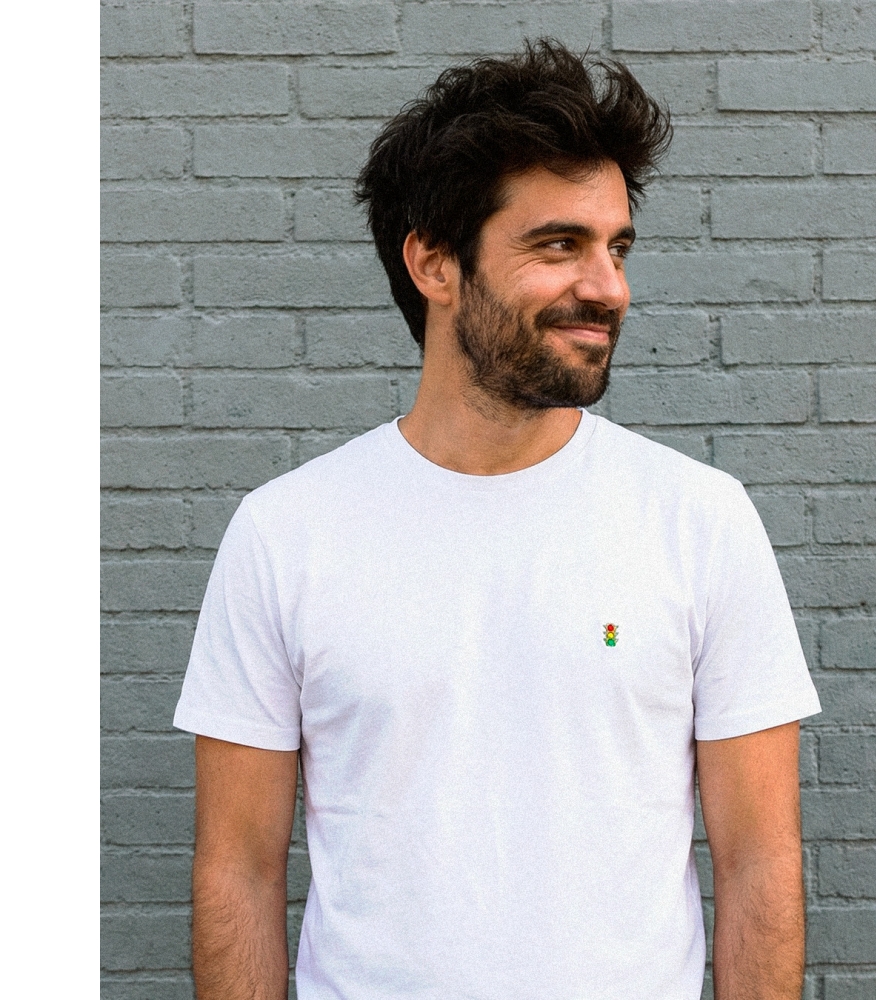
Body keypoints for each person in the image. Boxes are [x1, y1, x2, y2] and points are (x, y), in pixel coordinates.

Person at [174, 40, 821, 1000]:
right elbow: (238, 872)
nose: (608, 286)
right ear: (435, 263)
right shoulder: (287, 534)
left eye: (617, 248)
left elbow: (760, 861)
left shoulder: (699, 521)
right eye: (559, 246)